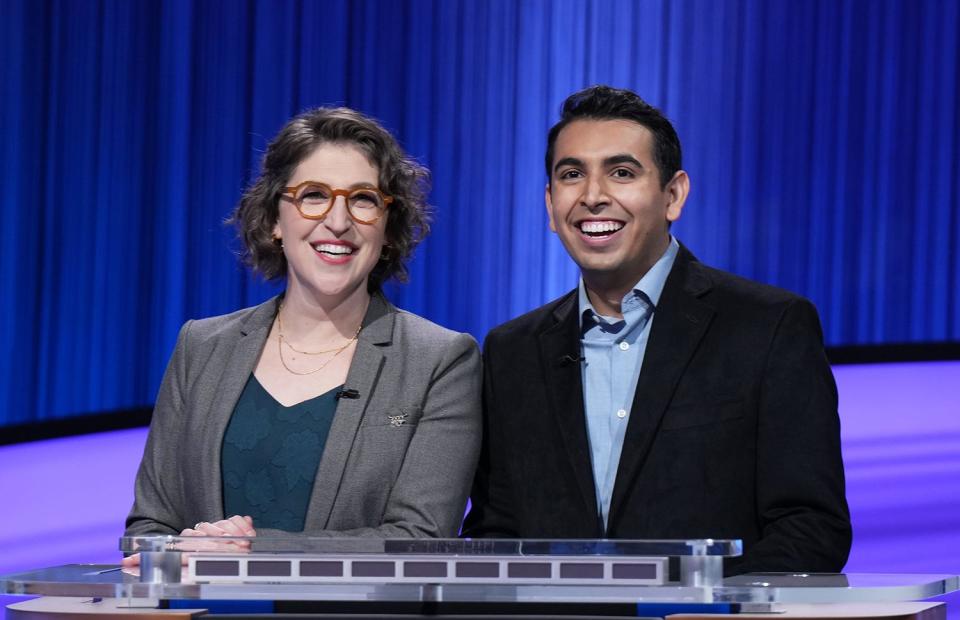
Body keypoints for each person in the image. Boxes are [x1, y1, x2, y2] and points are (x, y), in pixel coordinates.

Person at [462, 86, 851, 574]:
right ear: (549, 204)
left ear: (673, 195)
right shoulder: (512, 350)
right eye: (571, 175)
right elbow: (497, 533)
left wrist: (671, 596)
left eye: (622, 173)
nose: (593, 196)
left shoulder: (768, 326)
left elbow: (811, 530)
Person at [125, 107, 481, 547]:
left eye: (363, 199)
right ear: (275, 219)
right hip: (204, 615)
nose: (338, 221)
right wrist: (171, 556)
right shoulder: (201, 346)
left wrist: (254, 551)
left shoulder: (440, 361)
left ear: (389, 228)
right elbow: (150, 527)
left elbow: (419, 540)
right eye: (314, 195)